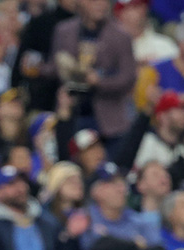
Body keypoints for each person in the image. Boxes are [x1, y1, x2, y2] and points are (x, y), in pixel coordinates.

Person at [49, 0, 137, 143]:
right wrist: (62, 67)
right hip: (72, 110)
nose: (100, 4)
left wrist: (99, 81)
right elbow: (52, 68)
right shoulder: (64, 30)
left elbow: (128, 78)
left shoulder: (121, 36)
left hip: (108, 119)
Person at [71, 162, 164, 250]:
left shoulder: (138, 220)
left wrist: (114, 245)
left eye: (122, 184)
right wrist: (135, 245)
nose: (121, 189)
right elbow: (99, 245)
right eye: (113, 184)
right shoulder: (86, 216)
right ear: (96, 191)